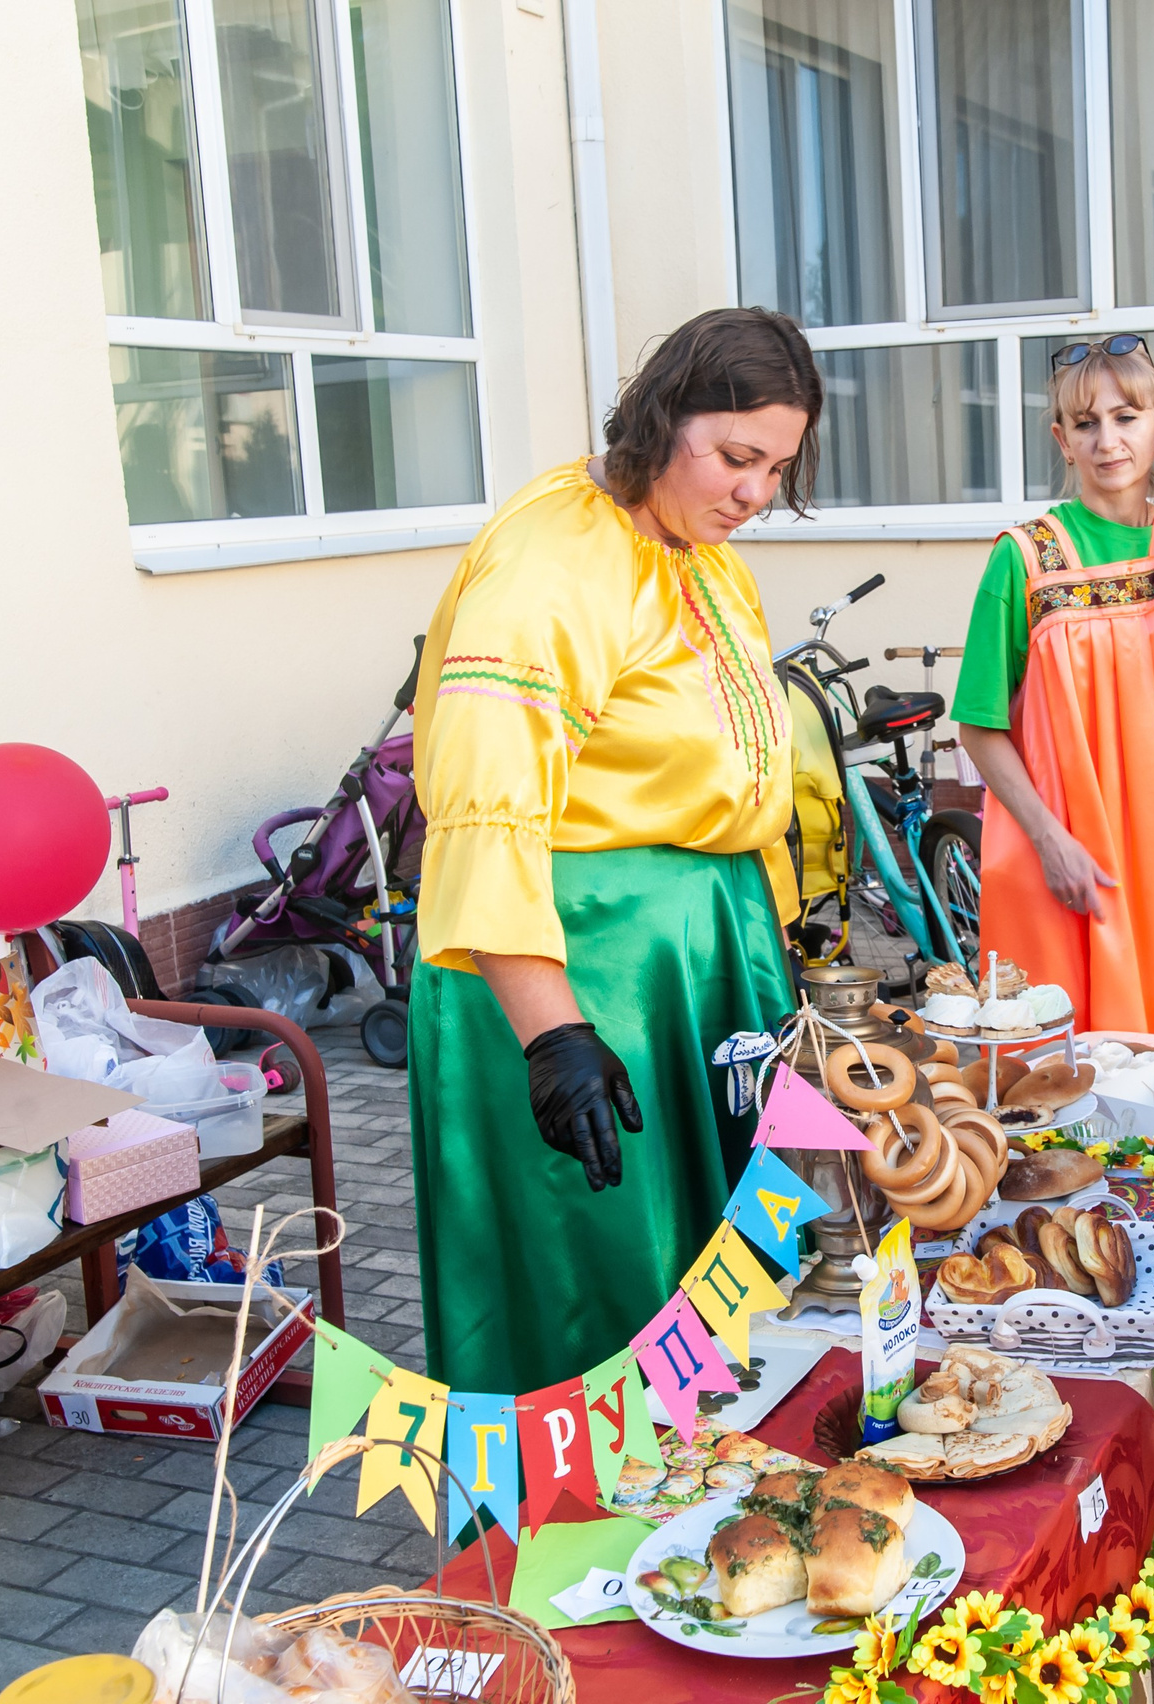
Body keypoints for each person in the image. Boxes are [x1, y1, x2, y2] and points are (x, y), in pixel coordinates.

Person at [407, 308, 817, 1394]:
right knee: (606, 1273)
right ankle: (575, 1531)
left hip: (694, 957)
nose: (755, 493)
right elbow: (485, 808)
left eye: (776, 467)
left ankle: (714, 1511)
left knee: (717, 1266)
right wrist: (554, 1037)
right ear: (660, 418)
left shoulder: (696, 548)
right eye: (736, 458)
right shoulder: (553, 563)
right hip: (580, 972)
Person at [953, 335, 1154, 1036]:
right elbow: (978, 725)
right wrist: (1049, 840)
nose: (1107, 441)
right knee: (1055, 1074)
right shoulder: (1026, 556)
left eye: (1126, 417)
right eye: (1085, 423)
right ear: (1061, 440)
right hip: (1061, 851)